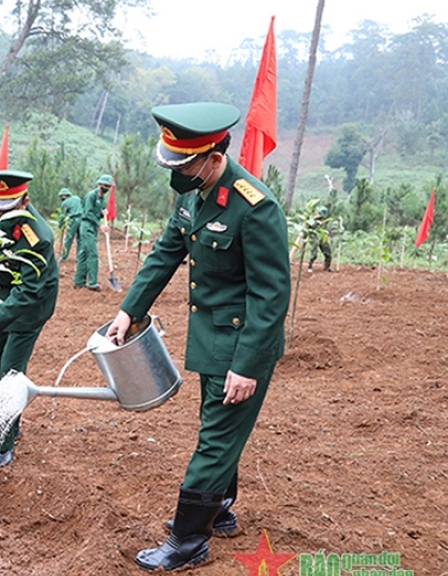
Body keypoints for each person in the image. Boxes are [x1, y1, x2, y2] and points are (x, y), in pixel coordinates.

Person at [105, 102, 290, 571]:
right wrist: (130, 311)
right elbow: (165, 253)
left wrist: (248, 365)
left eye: (183, 163)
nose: (177, 173)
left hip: (243, 343)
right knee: (220, 432)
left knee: (215, 439)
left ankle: (189, 541)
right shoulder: (194, 193)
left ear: (212, 156)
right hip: (209, 339)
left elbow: (270, 297)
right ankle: (220, 510)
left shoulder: (255, 207)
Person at [0, 170, 59, 468]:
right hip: (2, 297)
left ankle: (3, 446)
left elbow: (28, 293)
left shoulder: (38, 237)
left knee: (9, 374)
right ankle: (10, 425)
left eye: (6, 209)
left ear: (24, 202)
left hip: (29, 306)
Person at [74, 174, 112, 290]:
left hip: (92, 227)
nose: (107, 188)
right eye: (105, 185)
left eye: (109, 186)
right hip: (86, 226)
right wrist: (100, 225)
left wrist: (102, 214)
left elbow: (97, 213)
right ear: (100, 184)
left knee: (84, 253)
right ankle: (92, 282)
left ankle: (79, 281)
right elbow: (88, 213)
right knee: (92, 253)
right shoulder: (91, 196)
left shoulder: (102, 199)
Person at [58, 187, 82, 261]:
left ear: (63, 196)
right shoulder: (77, 198)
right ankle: (79, 257)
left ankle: (64, 256)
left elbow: (62, 215)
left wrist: (60, 224)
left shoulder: (65, 203)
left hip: (73, 220)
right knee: (80, 239)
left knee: (69, 238)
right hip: (82, 219)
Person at [308, 205, 333, 273]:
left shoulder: (324, 220)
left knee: (328, 251)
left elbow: (326, 229)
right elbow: (308, 226)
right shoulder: (312, 219)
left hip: (321, 236)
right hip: (314, 236)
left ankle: (327, 266)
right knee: (314, 253)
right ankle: (310, 265)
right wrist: (314, 219)